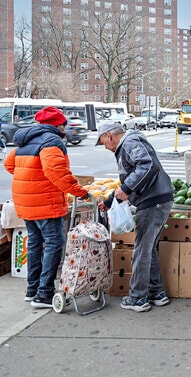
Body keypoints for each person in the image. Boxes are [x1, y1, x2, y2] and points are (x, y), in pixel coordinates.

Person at [3, 106, 88, 308]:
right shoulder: (51, 141)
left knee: (34, 244)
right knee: (53, 244)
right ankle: (44, 294)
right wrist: (80, 191)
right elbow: (55, 172)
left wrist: (31, 177)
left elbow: (9, 165)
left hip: (26, 202)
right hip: (45, 203)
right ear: (58, 125)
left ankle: (32, 290)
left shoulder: (24, 141)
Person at [96, 122, 174, 312]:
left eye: (103, 142)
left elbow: (148, 165)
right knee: (149, 248)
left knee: (141, 250)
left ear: (109, 136)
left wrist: (126, 188)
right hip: (157, 198)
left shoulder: (130, 143)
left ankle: (138, 298)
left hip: (152, 201)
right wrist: (109, 201)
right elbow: (133, 177)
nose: (105, 147)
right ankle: (157, 293)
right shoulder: (130, 143)